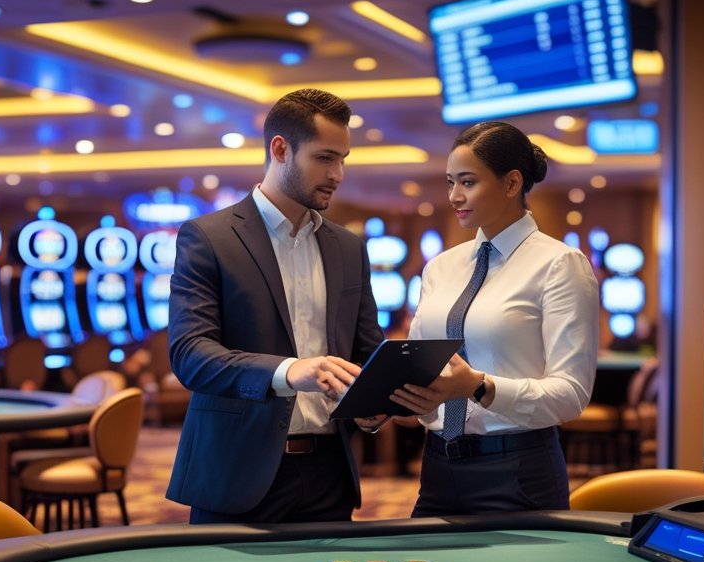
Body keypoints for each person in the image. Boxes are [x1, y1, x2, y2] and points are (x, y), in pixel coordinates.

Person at [165, 88, 384, 524]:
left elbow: (365, 352)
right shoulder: (209, 237)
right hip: (236, 472)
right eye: (324, 158)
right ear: (280, 149)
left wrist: (375, 401)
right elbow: (191, 356)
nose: (337, 174)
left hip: (330, 473)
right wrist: (287, 372)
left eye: (343, 159)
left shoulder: (348, 246)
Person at [391, 120, 600, 516]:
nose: (454, 196)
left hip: (517, 470)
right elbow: (418, 364)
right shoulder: (441, 267)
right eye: (450, 181)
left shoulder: (560, 265)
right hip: (438, 466)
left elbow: (571, 395)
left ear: (511, 183)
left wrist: (479, 386)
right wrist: (384, 397)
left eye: (468, 182)